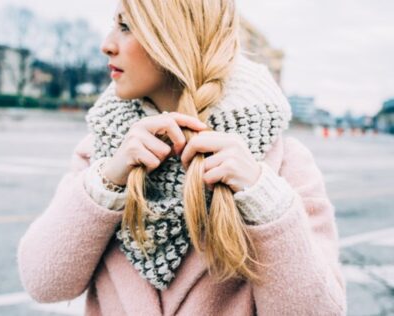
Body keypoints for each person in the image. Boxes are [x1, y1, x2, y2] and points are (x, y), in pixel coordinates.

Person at [17, 0, 347, 315]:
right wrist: (107, 182)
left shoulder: (282, 163)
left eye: (127, 27)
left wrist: (262, 198)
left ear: (174, 39)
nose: (107, 44)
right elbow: (44, 284)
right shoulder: (100, 152)